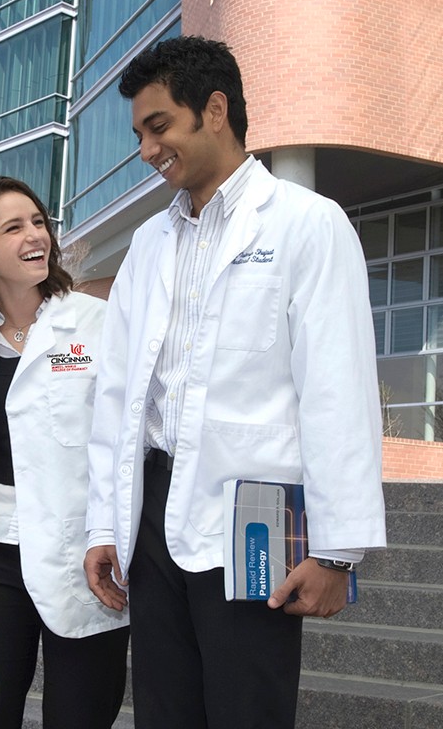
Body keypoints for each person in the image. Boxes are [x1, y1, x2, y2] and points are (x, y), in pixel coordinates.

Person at [83, 36, 387, 728]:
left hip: (253, 522)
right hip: (153, 516)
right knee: (163, 713)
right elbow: (118, 397)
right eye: (138, 135)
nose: (146, 150)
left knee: (248, 711)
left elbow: (337, 390)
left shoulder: (308, 224)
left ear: (215, 110)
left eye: (158, 126)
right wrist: (104, 524)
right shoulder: (148, 245)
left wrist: (336, 551)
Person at [0, 176, 130, 728]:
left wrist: (112, 531)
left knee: (80, 716)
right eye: (13, 227)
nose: (35, 235)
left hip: (83, 548)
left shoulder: (97, 324)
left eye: (38, 222)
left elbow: (127, 439)